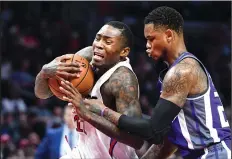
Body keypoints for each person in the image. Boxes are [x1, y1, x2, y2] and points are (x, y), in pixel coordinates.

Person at [60, 6, 231, 159]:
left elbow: (152, 131)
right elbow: (168, 139)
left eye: (151, 39)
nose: (147, 46)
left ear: (169, 35)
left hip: (215, 152)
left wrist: (102, 110)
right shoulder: (173, 73)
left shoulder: (182, 71)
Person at [35, 21, 153, 159]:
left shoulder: (123, 79)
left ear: (124, 51)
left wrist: (87, 114)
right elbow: (42, 93)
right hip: (82, 152)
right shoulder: (87, 56)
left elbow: (136, 140)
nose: (99, 44)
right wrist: (45, 72)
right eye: (98, 38)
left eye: (108, 42)